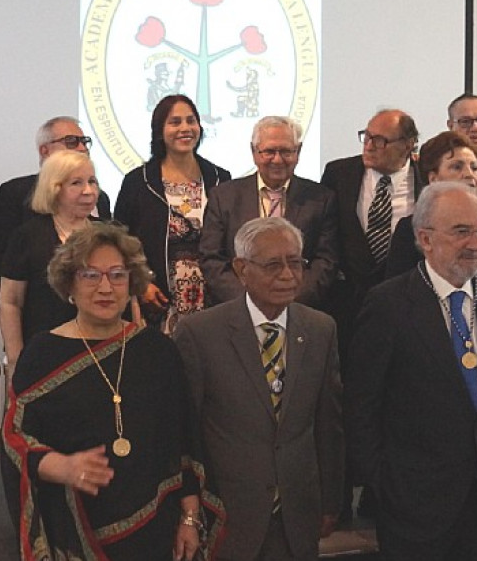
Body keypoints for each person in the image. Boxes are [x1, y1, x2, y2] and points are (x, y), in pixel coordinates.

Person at [3, 223, 224, 560]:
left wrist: (190, 518)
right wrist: (59, 465)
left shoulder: (157, 350)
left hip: (157, 526)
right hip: (77, 531)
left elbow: (183, 440)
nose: (105, 287)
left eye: (117, 275)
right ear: (70, 284)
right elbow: (14, 437)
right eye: (91, 275)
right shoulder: (42, 353)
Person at [345, 181, 477, 561]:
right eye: (461, 231)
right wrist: (384, 483)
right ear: (425, 239)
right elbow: (360, 404)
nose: (475, 243)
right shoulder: (389, 303)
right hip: (412, 505)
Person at [175, 217, 344, 561]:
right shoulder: (200, 333)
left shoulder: (319, 329)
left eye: (295, 262)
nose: (288, 274)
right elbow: (184, 432)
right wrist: (189, 511)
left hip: (298, 516)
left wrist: (330, 501)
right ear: (241, 269)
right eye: (273, 265)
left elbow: (329, 424)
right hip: (227, 517)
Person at [320, 108, 420, 520]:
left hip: (407, 312)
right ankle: (340, 500)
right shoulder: (339, 173)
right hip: (346, 311)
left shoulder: (427, 178)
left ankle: (385, 496)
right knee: (344, 405)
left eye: (380, 140)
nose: (369, 145)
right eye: (367, 136)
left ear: (408, 146)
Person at [113, 94, 231, 334]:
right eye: (175, 122)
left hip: (214, 302)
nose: (185, 128)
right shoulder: (139, 182)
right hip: (159, 303)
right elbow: (118, 240)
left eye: (191, 121)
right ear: (159, 130)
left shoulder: (221, 178)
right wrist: (141, 282)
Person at [200, 115, 338, 308]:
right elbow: (211, 259)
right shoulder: (224, 197)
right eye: (269, 151)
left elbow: (325, 262)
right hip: (236, 312)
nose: (278, 159)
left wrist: (287, 300)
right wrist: (249, 304)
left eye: (286, 151)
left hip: (299, 311)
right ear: (254, 152)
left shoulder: (321, 199)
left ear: (298, 151)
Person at [0, 150, 100, 379]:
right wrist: (16, 360)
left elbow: (128, 295)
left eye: (92, 181)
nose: (89, 191)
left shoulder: (108, 232)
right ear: (55, 188)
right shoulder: (28, 236)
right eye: (77, 183)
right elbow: (10, 302)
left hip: (101, 351)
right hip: (44, 355)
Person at [0, 116, 111, 273]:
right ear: (45, 151)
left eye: (84, 141)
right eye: (71, 141)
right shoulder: (15, 193)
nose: (82, 148)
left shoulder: (100, 198)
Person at [384, 130, 477, 279]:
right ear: (434, 178)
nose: (470, 174)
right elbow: (398, 289)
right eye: (457, 167)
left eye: (475, 168)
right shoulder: (410, 228)